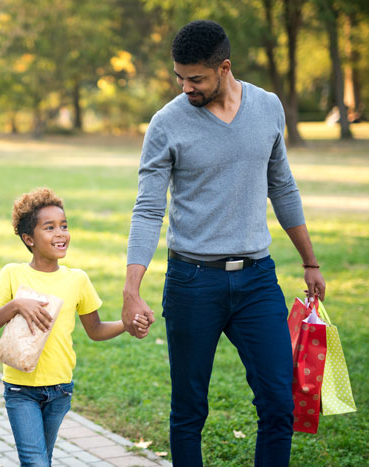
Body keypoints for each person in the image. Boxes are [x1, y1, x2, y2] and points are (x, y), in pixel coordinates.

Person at [121, 20, 326, 467]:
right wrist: (132, 289)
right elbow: (148, 209)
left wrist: (309, 262)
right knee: (189, 409)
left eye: (195, 79)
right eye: (179, 77)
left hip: (257, 280)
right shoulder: (166, 124)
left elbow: (283, 186)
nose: (185, 87)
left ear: (224, 68)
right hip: (192, 282)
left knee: (279, 403)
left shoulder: (267, 107)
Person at [0, 187, 148, 466]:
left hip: (60, 389)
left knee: (42, 458)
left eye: (64, 226)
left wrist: (127, 324)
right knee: (36, 462)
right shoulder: (12, 274)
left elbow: (95, 330)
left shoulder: (78, 280)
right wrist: (16, 305)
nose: (61, 234)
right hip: (21, 389)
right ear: (28, 239)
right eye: (50, 228)